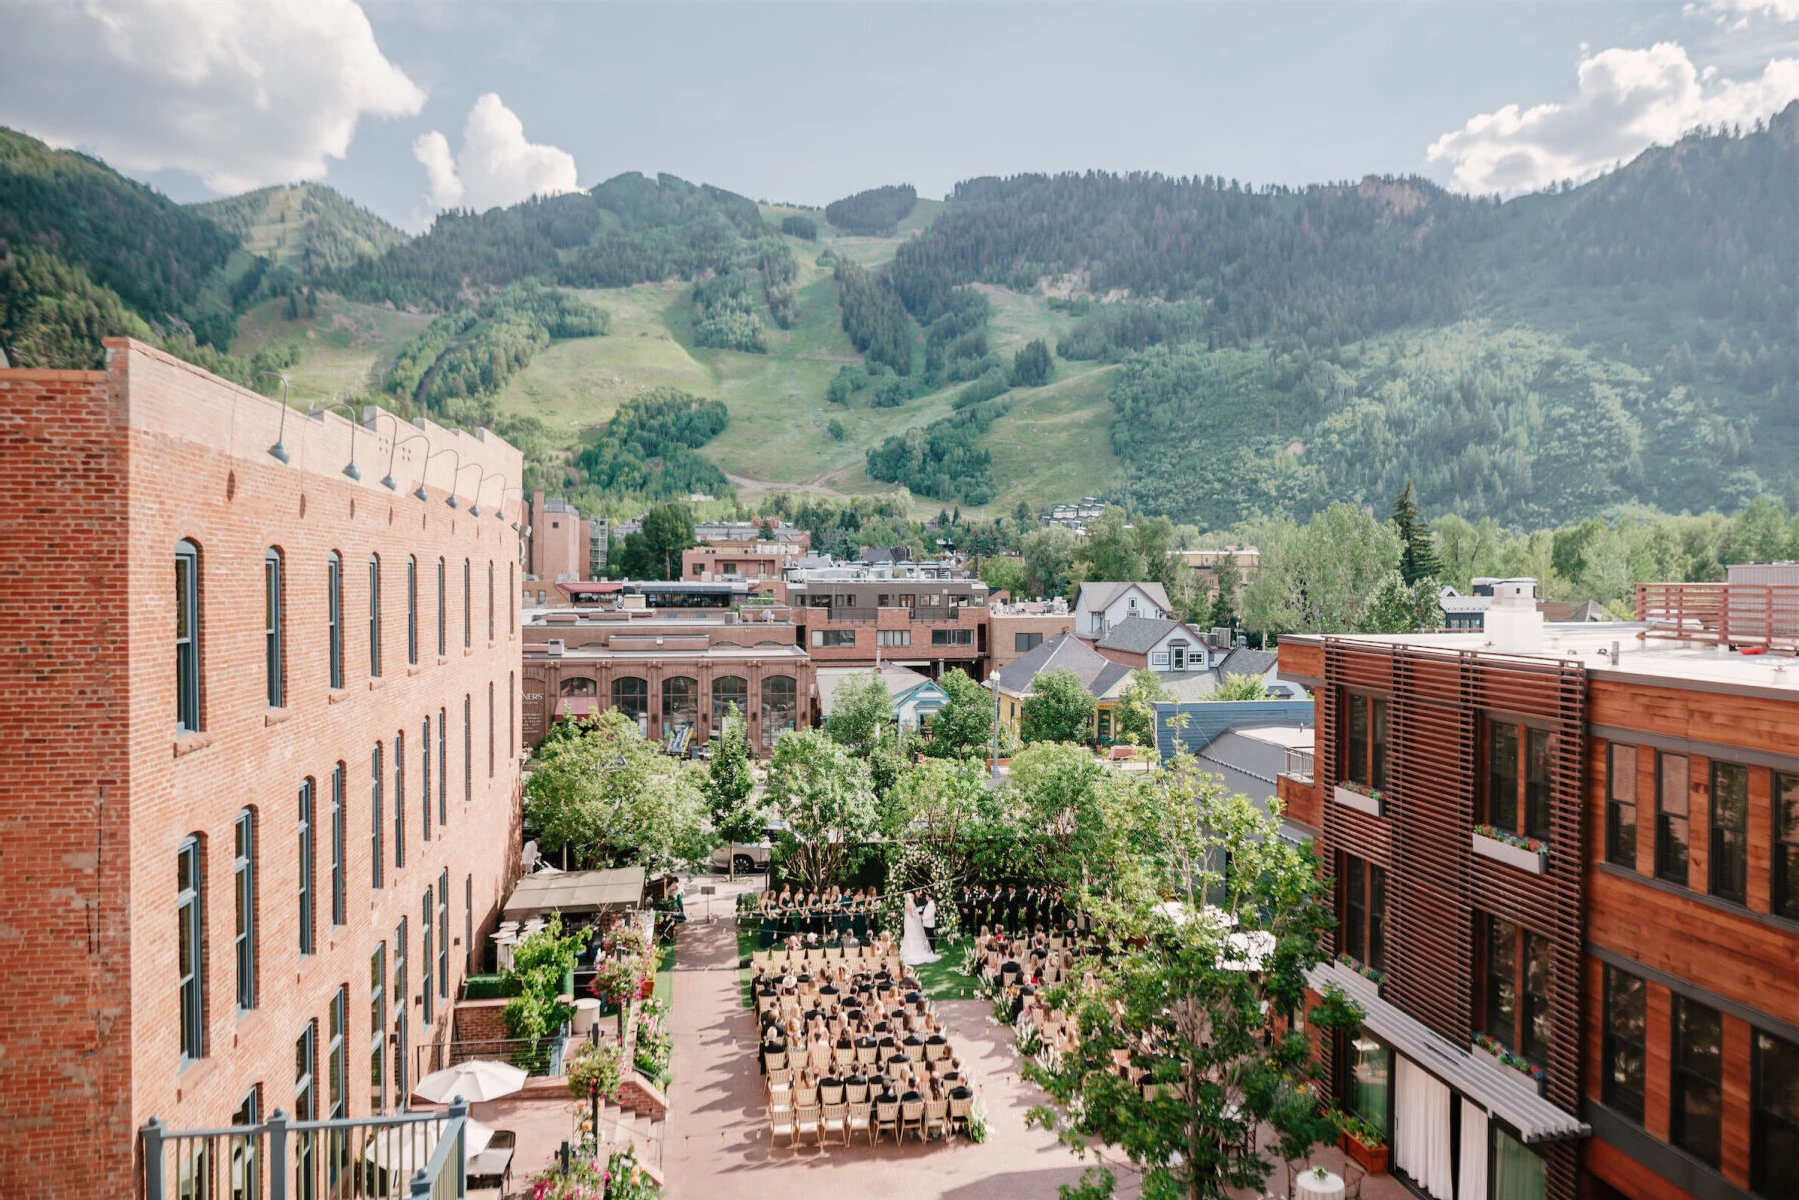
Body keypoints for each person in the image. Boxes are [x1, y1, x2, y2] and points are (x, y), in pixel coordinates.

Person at [900, 890, 939, 966]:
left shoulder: (909, 904)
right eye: (912, 898)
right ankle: (916, 950)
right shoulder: (909, 905)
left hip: (911, 923)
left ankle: (930, 949)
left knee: (914, 935)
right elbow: (912, 915)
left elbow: (914, 910)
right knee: (914, 935)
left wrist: (920, 909)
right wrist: (919, 917)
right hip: (911, 923)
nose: (913, 899)